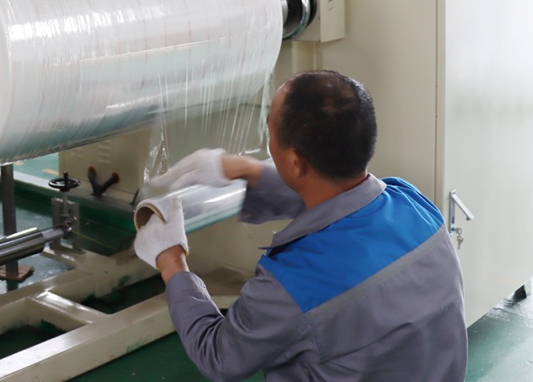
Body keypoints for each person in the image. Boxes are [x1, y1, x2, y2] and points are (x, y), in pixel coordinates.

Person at [133, 70, 466, 381]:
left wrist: (171, 261)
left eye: (270, 132)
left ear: (294, 161)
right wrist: (248, 170)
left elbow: (219, 355)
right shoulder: (413, 203)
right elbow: (341, 204)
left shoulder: (293, 284)